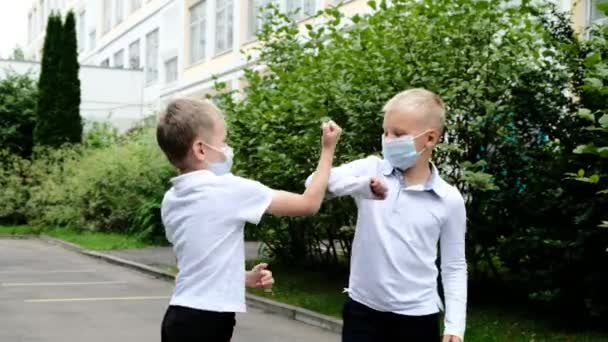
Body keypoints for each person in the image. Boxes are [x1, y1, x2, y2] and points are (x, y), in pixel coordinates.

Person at [157, 98, 342, 342]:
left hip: (179, 317)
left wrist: (243, 277)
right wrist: (328, 149)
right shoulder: (229, 189)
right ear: (201, 149)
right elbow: (308, 204)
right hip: (207, 322)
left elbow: (195, 265)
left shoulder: (171, 198)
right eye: (222, 142)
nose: (227, 149)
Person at [307, 89, 467, 341]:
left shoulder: (448, 199)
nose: (388, 140)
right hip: (363, 312)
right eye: (385, 132)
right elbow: (312, 185)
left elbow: (454, 266)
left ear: (430, 138)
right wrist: (362, 187)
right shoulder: (371, 168)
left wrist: (455, 326)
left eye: (399, 134)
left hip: (417, 319)